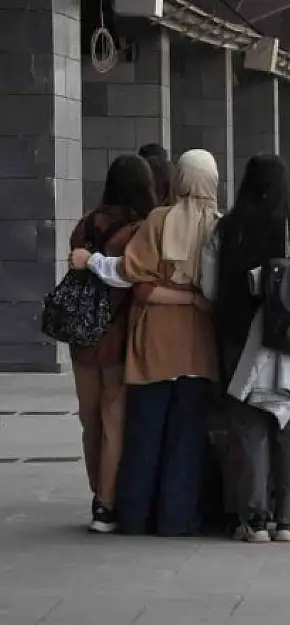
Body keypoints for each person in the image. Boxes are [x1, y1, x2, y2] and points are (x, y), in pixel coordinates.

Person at [73, 149, 222, 536]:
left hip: (153, 340)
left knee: (144, 432)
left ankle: (135, 515)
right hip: (200, 345)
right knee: (186, 437)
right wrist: (194, 299)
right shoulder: (220, 225)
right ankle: (178, 518)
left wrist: (89, 261)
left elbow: (129, 273)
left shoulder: (159, 220)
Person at [203, 155, 290, 543]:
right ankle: (288, 521)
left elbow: (208, 288)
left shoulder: (226, 229)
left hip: (239, 338)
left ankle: (253, 520)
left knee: (247, 429)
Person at [66, 154, 157, 533]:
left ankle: (95, 493)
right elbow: (133, 277)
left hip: (82, 337)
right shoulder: (139, 229)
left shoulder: (84, 225)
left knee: (90, 420)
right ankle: (107, 502)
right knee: (113, 418)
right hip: (118, 334)